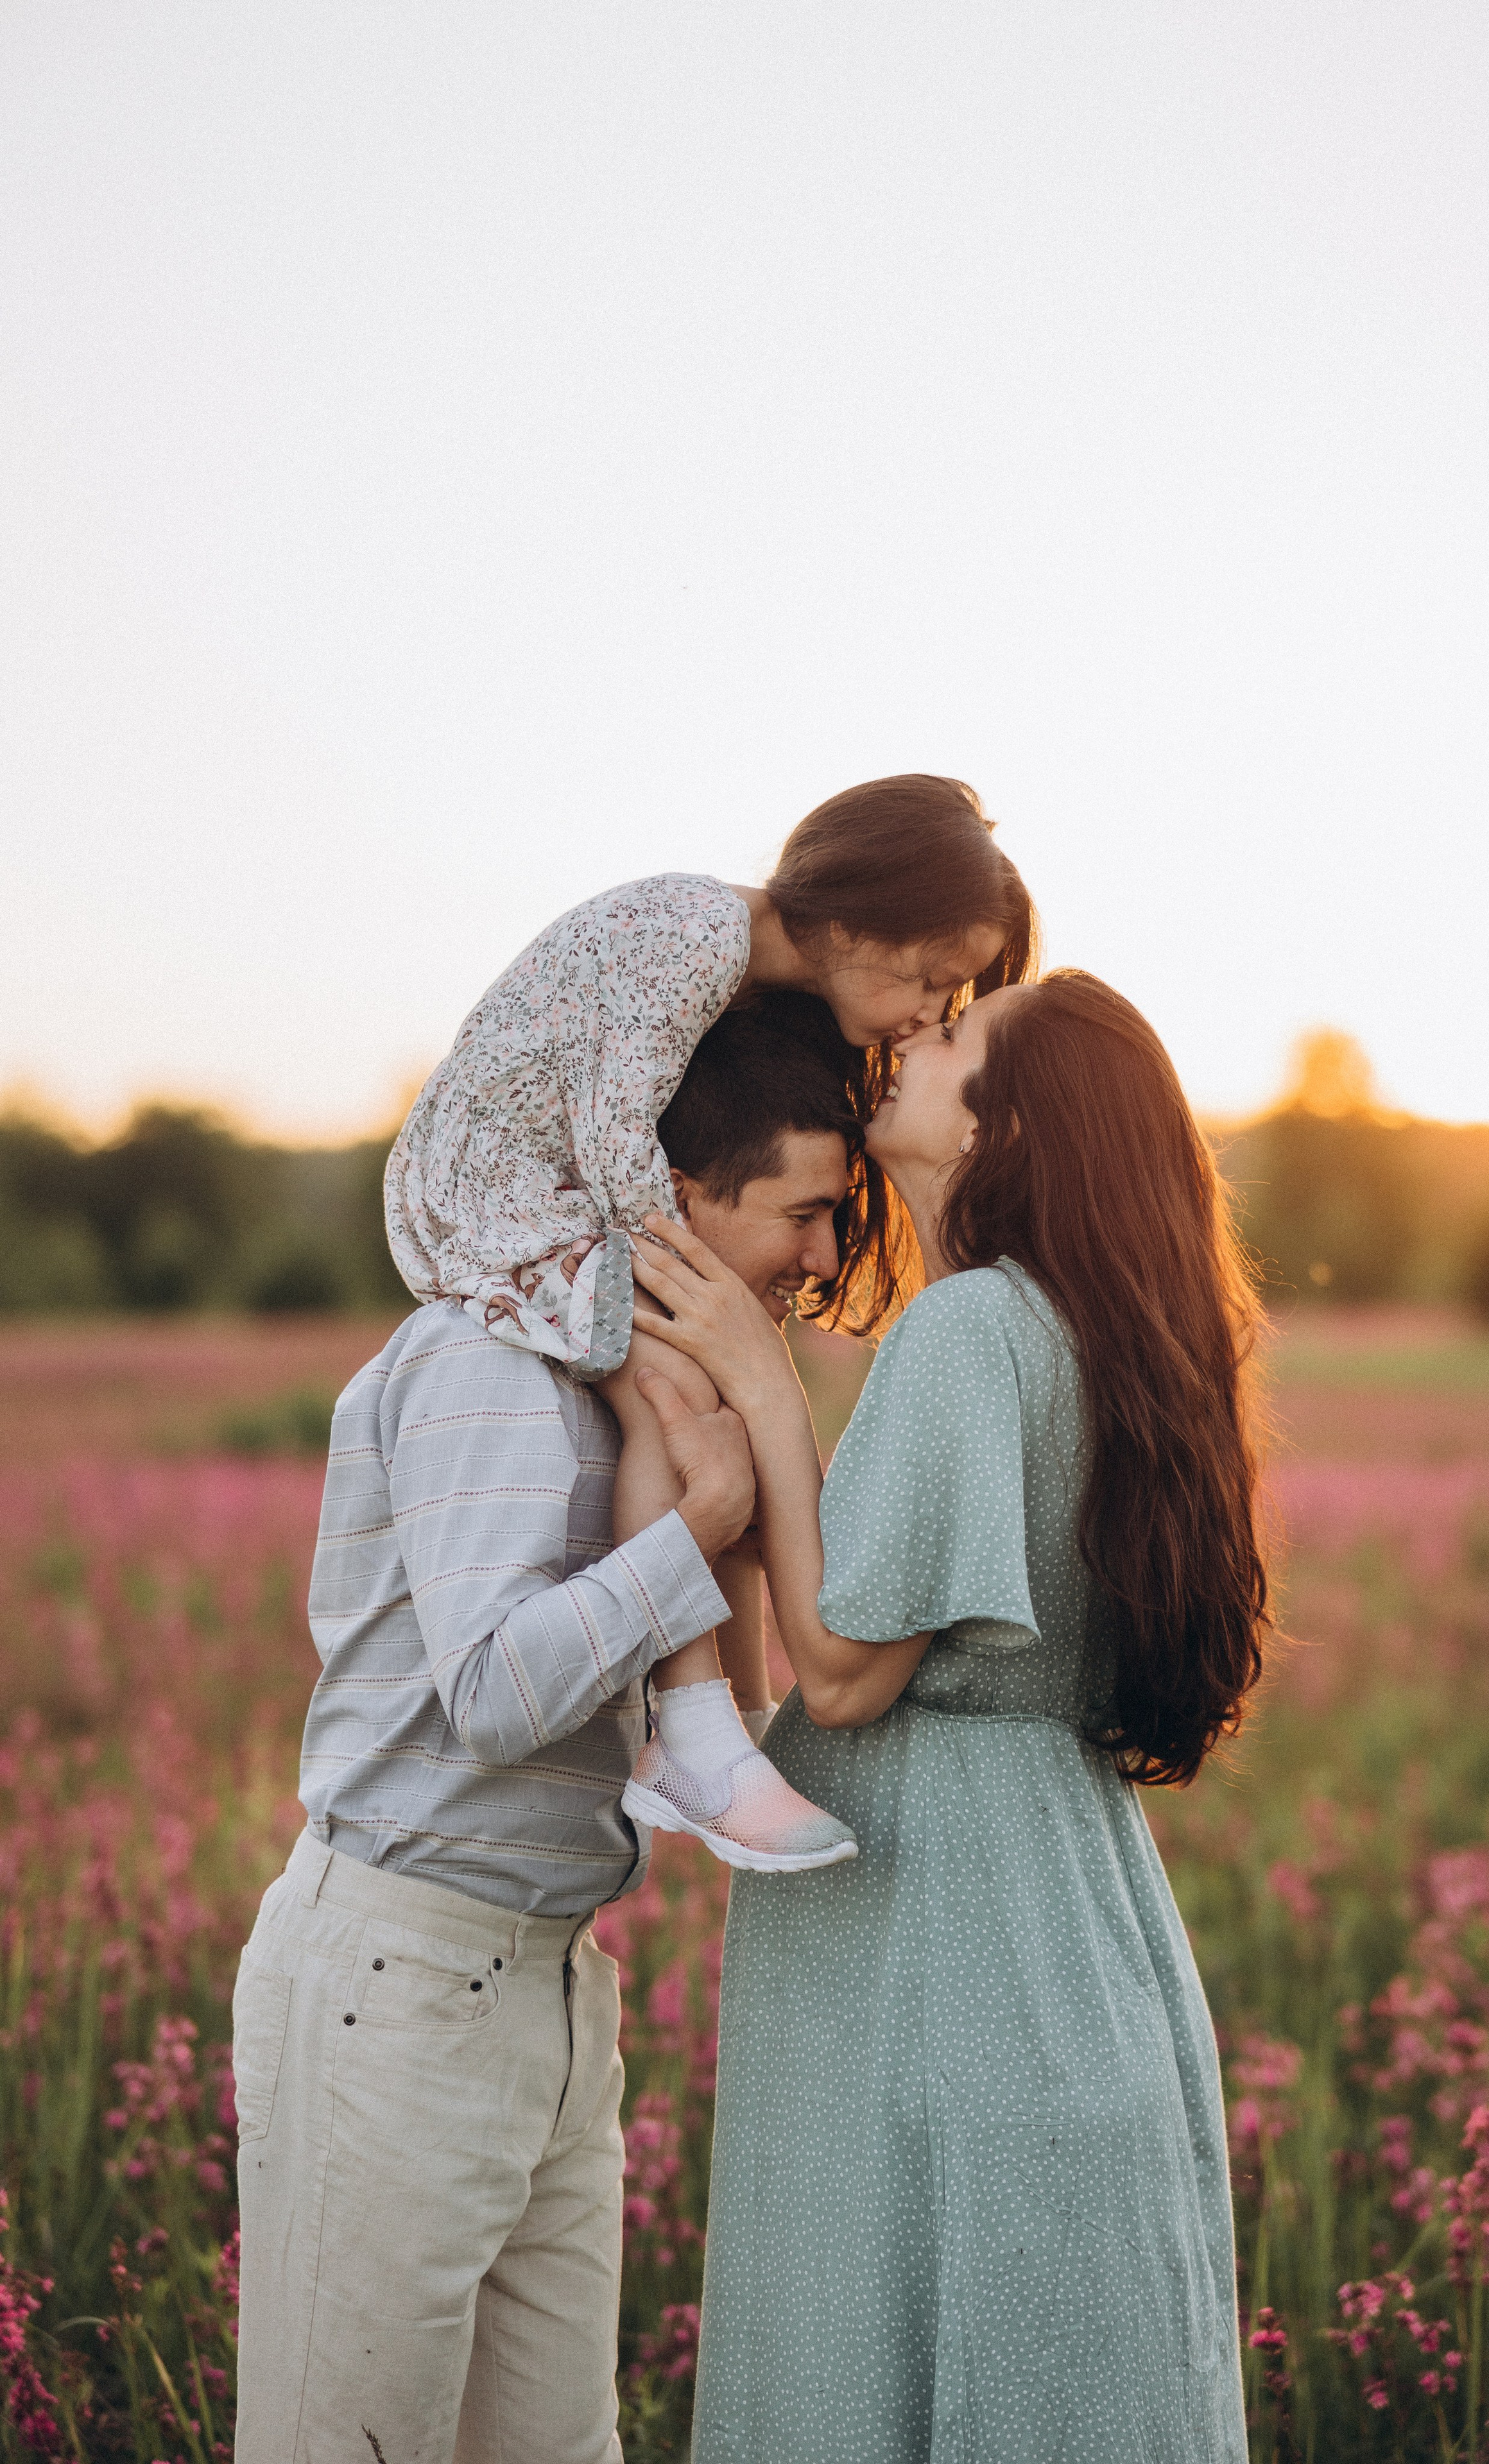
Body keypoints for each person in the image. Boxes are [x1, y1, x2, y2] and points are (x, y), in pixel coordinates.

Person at [230, 990, 904, 2464]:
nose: (819, 1257)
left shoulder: (651, 1396)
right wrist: (700, 1533)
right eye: (800, 1212)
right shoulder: (491, 1365)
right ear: (674, 1198)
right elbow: (486, 1697)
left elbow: (754, 1706)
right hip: (397, 1987)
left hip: (549, 1988)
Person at [628, 969, 1269, 2464]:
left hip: (940, 1935)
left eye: (950, 1040)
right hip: (1074, 1909)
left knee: (882, 2369)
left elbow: (841, 1676)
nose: (907, 1045)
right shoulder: (1103, 1331)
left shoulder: (971, 1331)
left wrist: (763, 1395)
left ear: (1008, 1123)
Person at [384, 773, 1037, 1870]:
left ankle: (731, 1724)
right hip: (497, 1193)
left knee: (703, 1381)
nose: (931, 1014)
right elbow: (610, 1128)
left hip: (550, 1192)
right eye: (928, 980)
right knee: (676, 1388)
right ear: (846, 921)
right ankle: (692, 1734)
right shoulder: (695, 934)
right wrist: (693, 1288)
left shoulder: (741, 981)